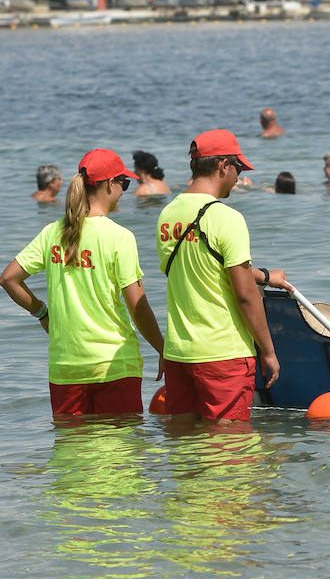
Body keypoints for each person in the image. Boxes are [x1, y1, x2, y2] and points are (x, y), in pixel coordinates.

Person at [1, 149, 164, 417]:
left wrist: (41, 312)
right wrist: (162, 347)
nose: (124, 190)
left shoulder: (52, 232)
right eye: (124, 183)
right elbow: (137, 306)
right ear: (110, 184)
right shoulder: (119, 237)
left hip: (65, 367)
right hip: (114, 365)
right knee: (120, 453)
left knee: (71, 453)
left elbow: (9, 279)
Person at [156, 129, 291, 423]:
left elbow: (202, 267)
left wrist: (264, 276)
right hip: (223, 355)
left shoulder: (167, 215)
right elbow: (244, 296)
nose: (239, 177)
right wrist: (268, 351)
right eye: (238, 168)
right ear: (223, 166)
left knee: (186, 452)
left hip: (179, 353)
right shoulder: (227, 218)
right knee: (231, 453)